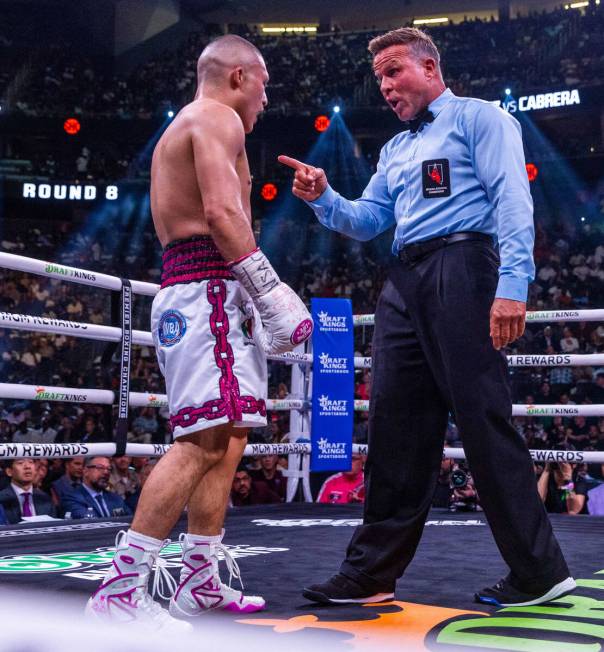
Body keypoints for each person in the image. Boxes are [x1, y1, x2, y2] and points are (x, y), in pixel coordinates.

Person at [280, 27, 574, 608]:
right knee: (394, 428)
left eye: (394, 71)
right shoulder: (395, 150)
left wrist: (513, 285)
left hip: (464, 265)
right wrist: (321, 196)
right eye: (380, 77)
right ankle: (371, 573)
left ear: (429, 66)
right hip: (404, 280)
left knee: (482, 419)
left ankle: (540, 571)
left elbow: (513, 197)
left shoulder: (479, 118)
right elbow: (366, 220)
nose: (385, 86)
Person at [87, 34, 312, 631]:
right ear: (240, 75)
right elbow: (220, 212)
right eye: (264, 83)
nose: (266, 98)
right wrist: (269, 289)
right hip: (207, 287)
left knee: (229, 436)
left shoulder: (195, 123)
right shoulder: (216, 117)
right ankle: (120, 588)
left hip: (207, 289)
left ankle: (199, 576)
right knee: (201, 440)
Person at [61, 456, 132, 519]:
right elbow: (91, 525)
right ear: (85, 471)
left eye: (109, 469)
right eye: (100, 467)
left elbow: (130, 520)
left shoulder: (116, 498)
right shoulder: (71, 499)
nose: (106, 472)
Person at [0, 458, 57, 523]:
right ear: (9, 472)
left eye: (31, 462)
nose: (27, 467)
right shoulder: (2, 499)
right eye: (20, 463)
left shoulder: (45, 498)